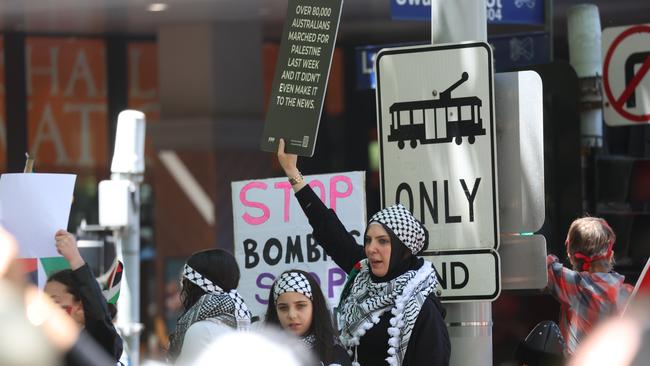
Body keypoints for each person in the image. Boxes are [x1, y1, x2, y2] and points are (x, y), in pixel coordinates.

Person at [277, 139, 451, 366]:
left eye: (383, 241)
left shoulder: (423, 309)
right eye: (368, 240)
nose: (371, 249)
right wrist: (293, 173)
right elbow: (329, 229)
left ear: (404, 251)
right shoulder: (362, 275)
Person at [546, 216, 633, 354]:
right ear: (611, 254)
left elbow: (541, 264)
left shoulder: (574, 285)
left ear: (572, 256)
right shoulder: (629, 293)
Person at [44, 230, 124, 362]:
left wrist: (75, 258)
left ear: (81, 308)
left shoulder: (96, 350)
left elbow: (98, 316)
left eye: (54, 302)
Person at [168, 248, 252, 363]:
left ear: (194, 287)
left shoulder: (200, 331)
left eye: (185, 282)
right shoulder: (242, 319)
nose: (183, 289)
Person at [265, 269, 352, 366]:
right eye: (283, 308)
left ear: (315, 307)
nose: (292, 315)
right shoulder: (262, 354)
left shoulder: (335, 354)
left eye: (300, 306)